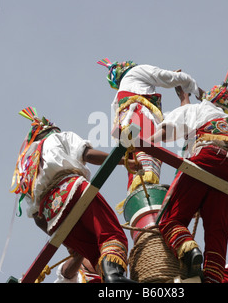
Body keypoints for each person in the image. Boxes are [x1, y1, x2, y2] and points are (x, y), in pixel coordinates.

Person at [150, 70, 228, 283]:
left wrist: (143, 142)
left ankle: (191, 251)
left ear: (209, 99)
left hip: (208, 159)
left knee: (170, 219)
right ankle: (212, 279)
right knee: (217, 234)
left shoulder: (200, 108)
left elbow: (169, 130)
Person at [10, 107, 137, 283]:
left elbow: (37, 218)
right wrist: (125, 162)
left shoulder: (27, 169)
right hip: (73, 190)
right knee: (112, 234)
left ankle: (110, 281)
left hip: (52, 215)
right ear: (52, 130)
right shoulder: (59, 137)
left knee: (94, 253)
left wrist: (65, 239)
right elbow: (88, 155)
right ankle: (115, 278)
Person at [97, 58, 204, 196]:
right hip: (140, 118)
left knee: (137, 156)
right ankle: (147, 184)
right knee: (147, 149)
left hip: (132, 124)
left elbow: (173, 124)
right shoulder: (135, 72)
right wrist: (195, 89)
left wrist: (183, 97)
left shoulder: (122, 96)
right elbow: (165, 77)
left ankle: (141, 186)